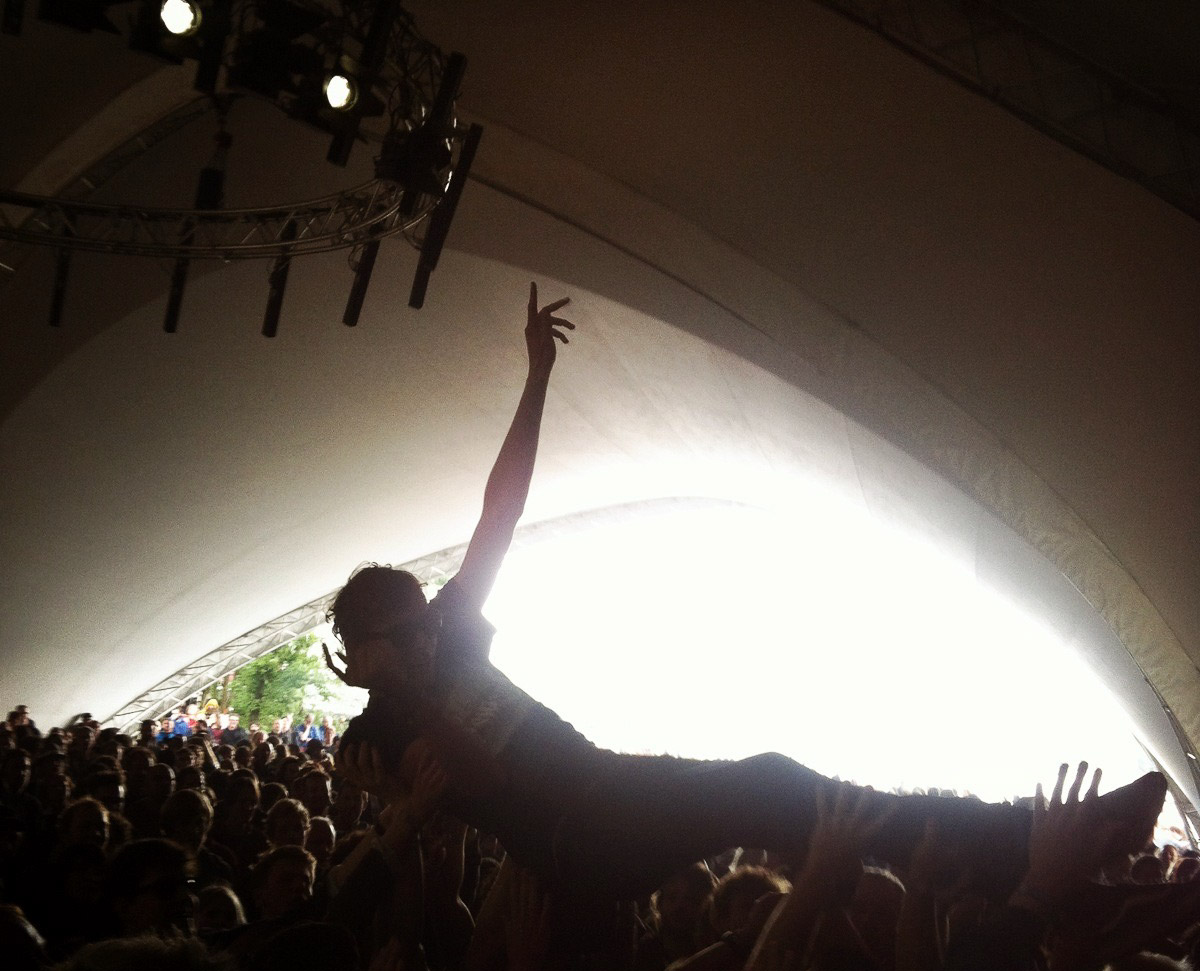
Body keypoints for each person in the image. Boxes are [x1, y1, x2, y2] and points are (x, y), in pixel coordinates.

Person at [330, 284, 1167, 902]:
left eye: (426, 620)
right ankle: (1023, 847)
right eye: (410, 633)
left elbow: (499, 510)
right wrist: (410, 692)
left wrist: (537, 375)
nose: (433, 634)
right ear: (368, 653)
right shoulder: (381, 734)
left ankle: (1012, 854)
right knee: (772, 789)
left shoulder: (446, 633)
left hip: (608, 791)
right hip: (579, 837)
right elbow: (484, 782)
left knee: (782, 796)